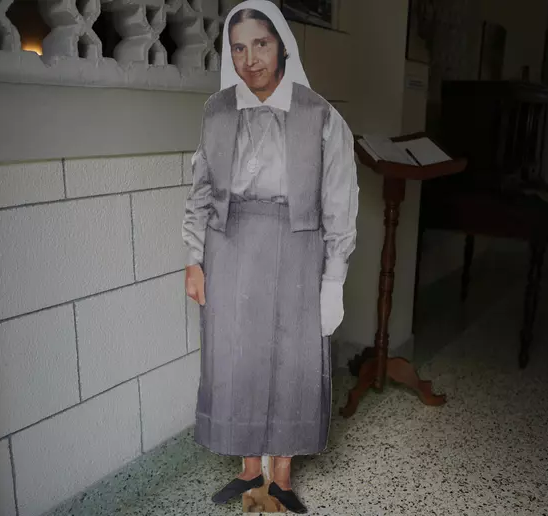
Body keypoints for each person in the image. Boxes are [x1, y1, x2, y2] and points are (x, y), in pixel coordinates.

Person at [181, 1, 358, 512]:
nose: (250, 59)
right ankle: (248, 471)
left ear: (281, 45)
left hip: (297, 245)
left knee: (290, 359)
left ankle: (280, 475)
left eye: (261, 43)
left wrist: (334, 278)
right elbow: (200, 188)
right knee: (237, 357)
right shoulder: (217, 111)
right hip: (229, 245)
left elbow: (340, 198)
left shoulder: (319, 114)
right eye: (238, 48)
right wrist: (194, 258)